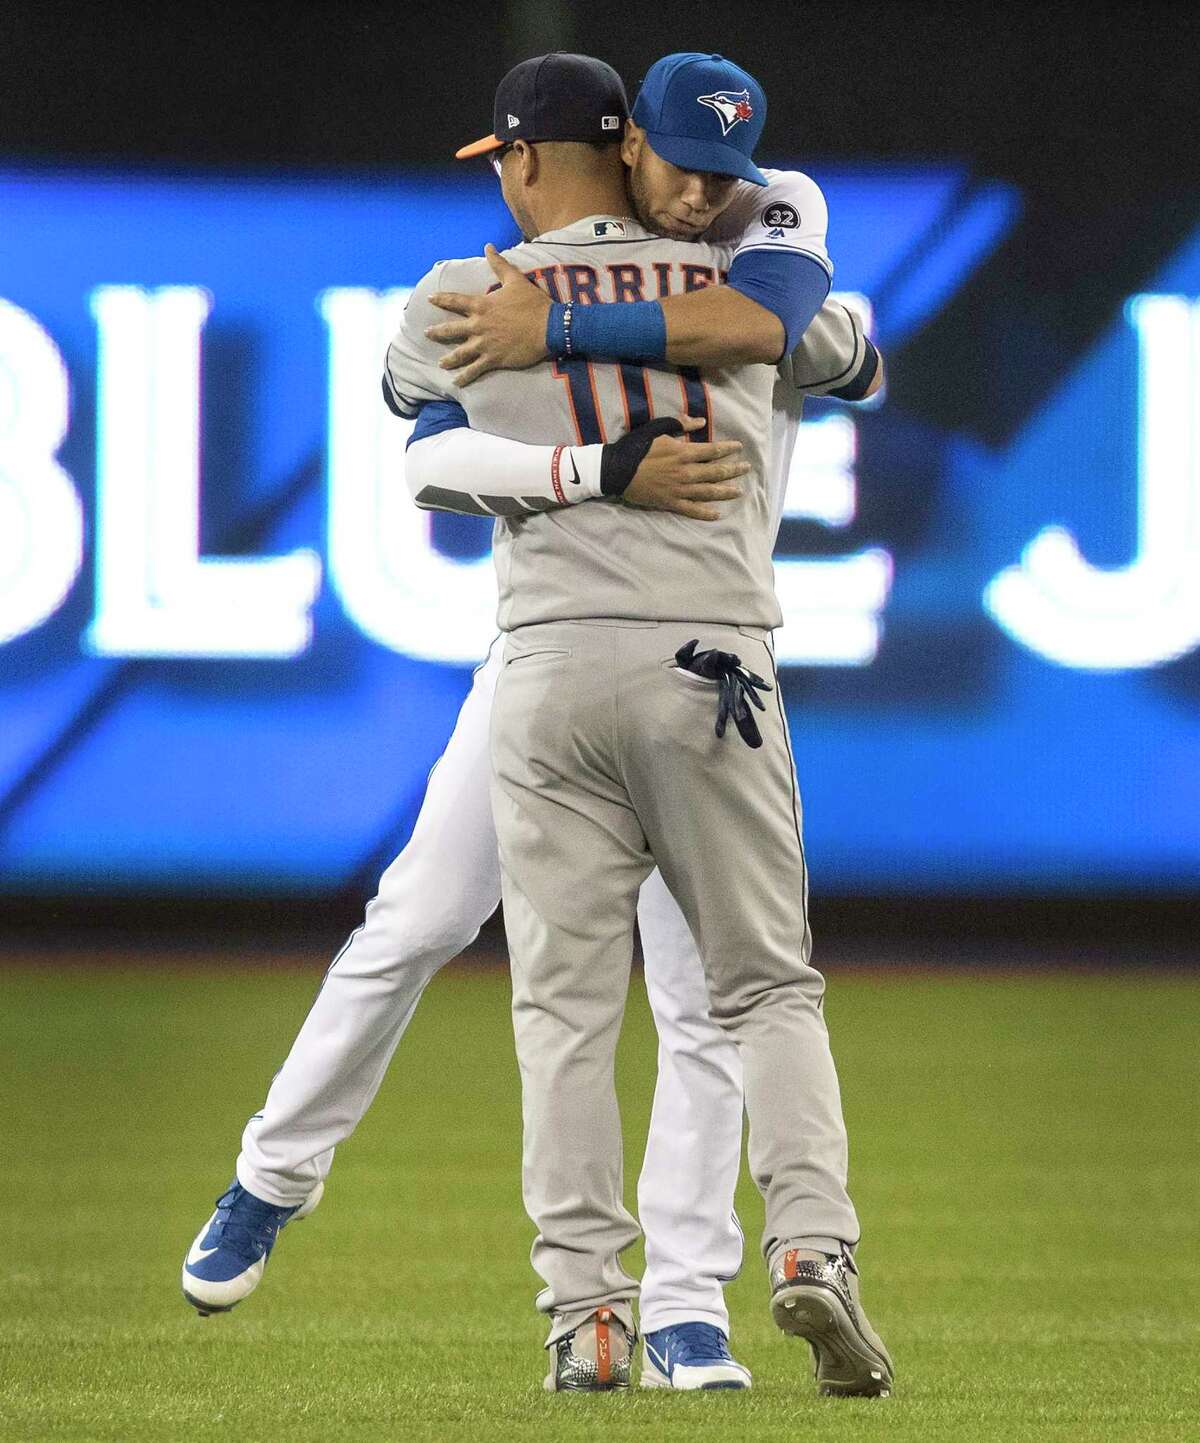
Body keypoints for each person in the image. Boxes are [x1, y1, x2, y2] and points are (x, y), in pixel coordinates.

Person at [181, 50, 883, 1395]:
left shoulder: (509, 285)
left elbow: (428, 434)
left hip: (577, 662)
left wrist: (565, 337)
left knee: (637, 1000)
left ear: (523, 158)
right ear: (627, 152)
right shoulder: (728, 272)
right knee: (442, 921)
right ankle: (274, 1176)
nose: (702, 188)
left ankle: (668, 1309)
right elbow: (832, 345)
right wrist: (608, 451)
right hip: (643, 660)